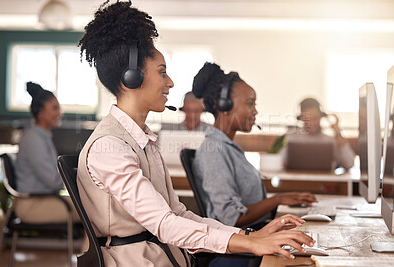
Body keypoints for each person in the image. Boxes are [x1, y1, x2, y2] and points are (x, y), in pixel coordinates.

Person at [77, 1, 314, 266]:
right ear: (131, 78)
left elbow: (177, 213)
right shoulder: (109, 146)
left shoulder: (141, 139)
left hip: (167, 257)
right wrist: (249, 242)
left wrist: (249, 235)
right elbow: (164, 225)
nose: (170, 83)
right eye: (162, 72)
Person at [192, 63, 317, 232]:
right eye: (250, 104)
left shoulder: (228, 147)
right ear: (223, 105)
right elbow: (232, 218)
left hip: (253, 235)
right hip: (239, 247)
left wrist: (282, 202)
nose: (255, 111)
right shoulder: (214, 151)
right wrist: (277, 200)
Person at [14, 82, 80, 224]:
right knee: (92, 212)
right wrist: (80, 180)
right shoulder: (33, 139)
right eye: (55, 108)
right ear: (41, 112)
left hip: (44, 200)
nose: (59, 113)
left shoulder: (42, 136)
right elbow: (53, 181)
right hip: (32, 205)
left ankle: (87, 247)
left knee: (91, 209)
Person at [285, 97, 355, 170]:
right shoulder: (290, 138)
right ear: (300, 118)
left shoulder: (330, 140)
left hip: (325, 181)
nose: (311, 123)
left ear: (321, 117)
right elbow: (278, 163)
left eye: (315, 118)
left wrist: (337, 133)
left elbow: (349, 163)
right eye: (307, 119)